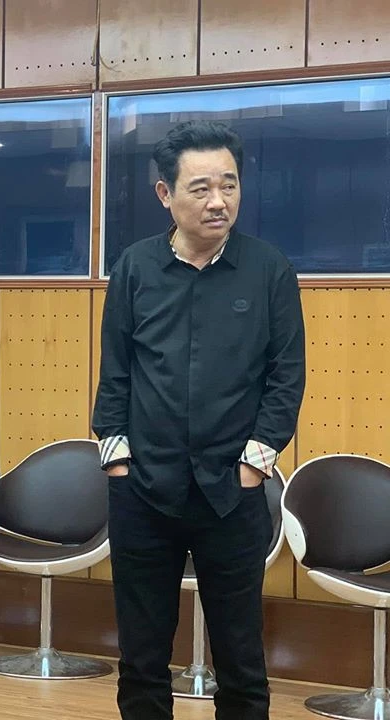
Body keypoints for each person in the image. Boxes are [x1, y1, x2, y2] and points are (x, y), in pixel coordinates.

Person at [92, 121, 306, 720]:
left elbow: (285, 378)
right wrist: (117, 462)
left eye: (229, 185)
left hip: (231, 490)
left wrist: (253, 467)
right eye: (202, 187)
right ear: (165, 194)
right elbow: (116, 371)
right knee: (141, 658)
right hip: (142, 489)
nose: (219, 201)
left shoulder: (268, 269)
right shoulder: (135, 267)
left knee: (241, 659)